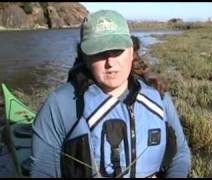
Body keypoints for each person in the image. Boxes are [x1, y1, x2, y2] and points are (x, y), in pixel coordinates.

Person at [31, 10, 190, 178]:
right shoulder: (59, 105)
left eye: (117, 50)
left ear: (131, 51)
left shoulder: (159, 97)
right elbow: (43, 172)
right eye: (99, 52)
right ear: (84, 56)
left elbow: (180, 154)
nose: (111, 62)